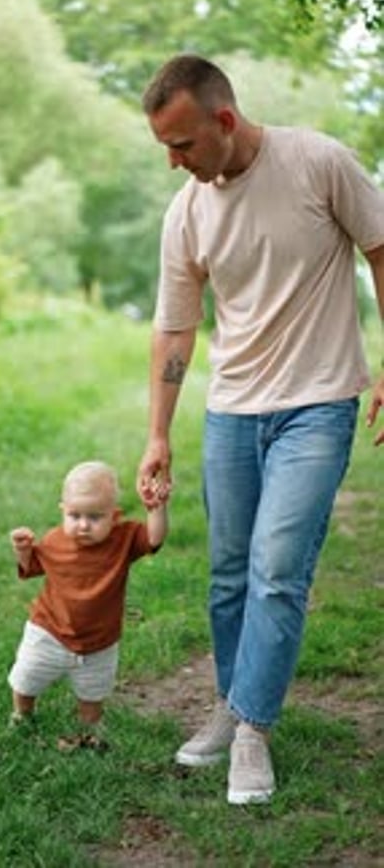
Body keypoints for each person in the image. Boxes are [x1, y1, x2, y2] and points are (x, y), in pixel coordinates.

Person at [136, 54, 384, 805]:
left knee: (277, 569)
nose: (175, 162)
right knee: (228, 575)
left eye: (182, 145)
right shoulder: (188, 210)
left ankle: (252, 733)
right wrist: (157, 435)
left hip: (319, 401)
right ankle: (232, 702)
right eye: (165, 149)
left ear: (224, 120)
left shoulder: (317, 162)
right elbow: (176, 330)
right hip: (232, 410)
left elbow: (380, 251)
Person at [8, 460, 168, 746]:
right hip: (49, 630)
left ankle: (90, 729)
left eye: (95, 517)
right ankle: (22, 713)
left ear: (114, 516)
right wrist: (22, 550)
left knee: (93, 690)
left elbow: (155, 538)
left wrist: (156, 509)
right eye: (74, 515)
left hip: (100, 639)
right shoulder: (55, 541)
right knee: (27, 677)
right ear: (63, 511)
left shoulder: (124, 539)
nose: (83, 525)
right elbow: (31, 566)